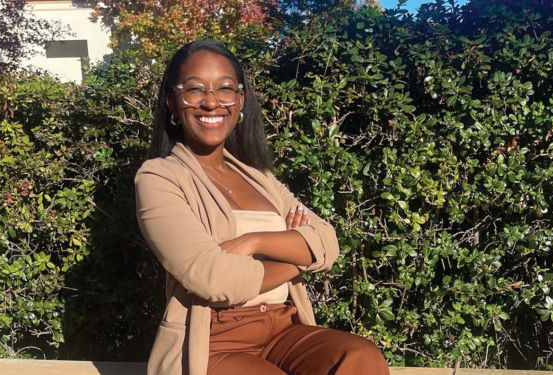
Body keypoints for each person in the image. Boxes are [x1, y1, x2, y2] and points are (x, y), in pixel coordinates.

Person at [134, 40, 390, 375]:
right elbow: (213, 278)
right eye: (195, 89)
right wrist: (296, 258)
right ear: (172, 100)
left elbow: (327, 244)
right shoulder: (159, 179)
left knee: (360, 357)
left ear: (239, 101)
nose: (211, 102)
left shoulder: (261, 179)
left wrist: (255, 242)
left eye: (225, 89)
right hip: (213, 341)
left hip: (283, 331)